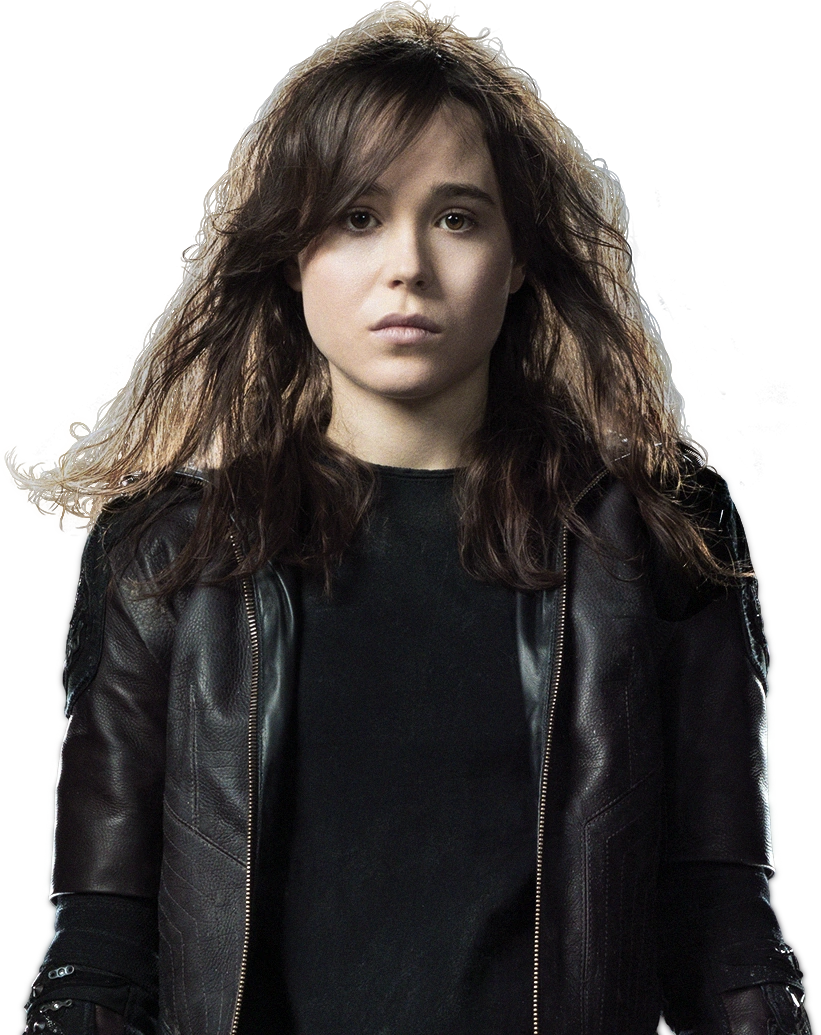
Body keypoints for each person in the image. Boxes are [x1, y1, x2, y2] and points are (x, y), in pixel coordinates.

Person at [13, 3, 815, 1033]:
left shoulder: (654, 540)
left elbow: (720, 924)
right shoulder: (165, 555)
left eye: (457, 218)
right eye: (357, 217)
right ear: (291, 253)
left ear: (517, 259)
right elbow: (100, 948)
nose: (407, 266)